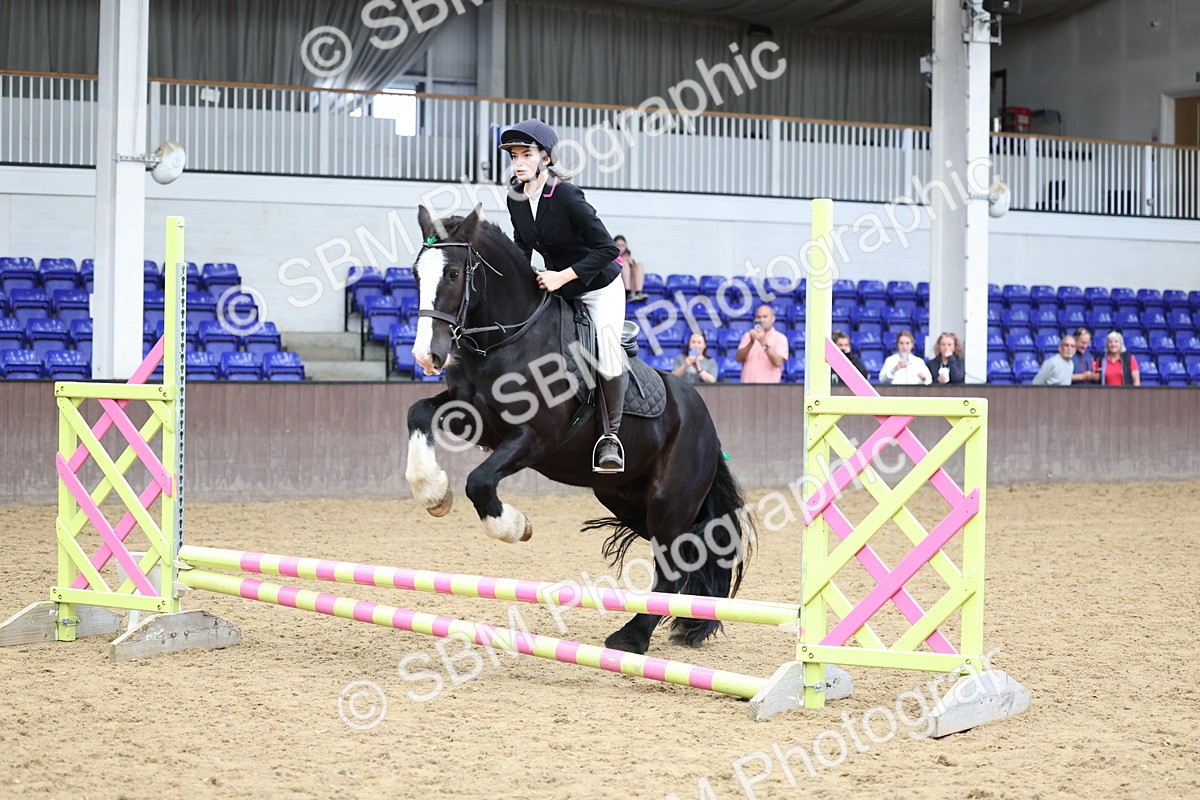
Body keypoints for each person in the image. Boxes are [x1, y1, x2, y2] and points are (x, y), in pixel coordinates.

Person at [499, 118, 627, 472]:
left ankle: (610, 439)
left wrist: (562, 276)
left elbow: (608, 249)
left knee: (608, 354)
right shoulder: (515, 196)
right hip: (559, 286)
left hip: (599, 287)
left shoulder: (568, 196)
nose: (518, 162)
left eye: (526, 155)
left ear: (547, 158)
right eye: (514, 156)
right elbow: (522, 245)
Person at [735, 305, 788, 384]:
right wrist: (751, 342)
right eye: (759, 317)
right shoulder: (748, 336)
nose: (762, 320)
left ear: (773, 319)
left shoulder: (780, 338)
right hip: (747, 387)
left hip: (769, 387)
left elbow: (778, 362)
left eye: (765, 317)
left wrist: (763, 343)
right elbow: (738, 359)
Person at [615, 236, 646, 302]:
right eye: (618, 245)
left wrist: (631, 262)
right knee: (624, 263)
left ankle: (638, 292)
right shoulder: (611, 256)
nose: (620, 248)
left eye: (622, 245)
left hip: (631, 284)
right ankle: (628, 292)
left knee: (639, 265)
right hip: (620, 285)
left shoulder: (627, 256)